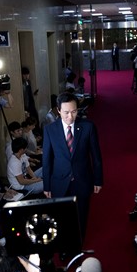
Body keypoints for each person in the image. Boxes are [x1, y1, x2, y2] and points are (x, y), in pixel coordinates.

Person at [42, 92, 103, 239]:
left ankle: (78, 242)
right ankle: (64, 243)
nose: (70, 116)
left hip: (82, 179)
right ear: (58, 110)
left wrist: (98, 180)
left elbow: (96, 156)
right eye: (66, 112)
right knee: (60, 217)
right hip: (59, 181)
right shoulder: (50, 130)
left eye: (74, 111)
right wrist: (47, 186)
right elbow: (47, 160)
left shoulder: (88, 127)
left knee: (81, 216)